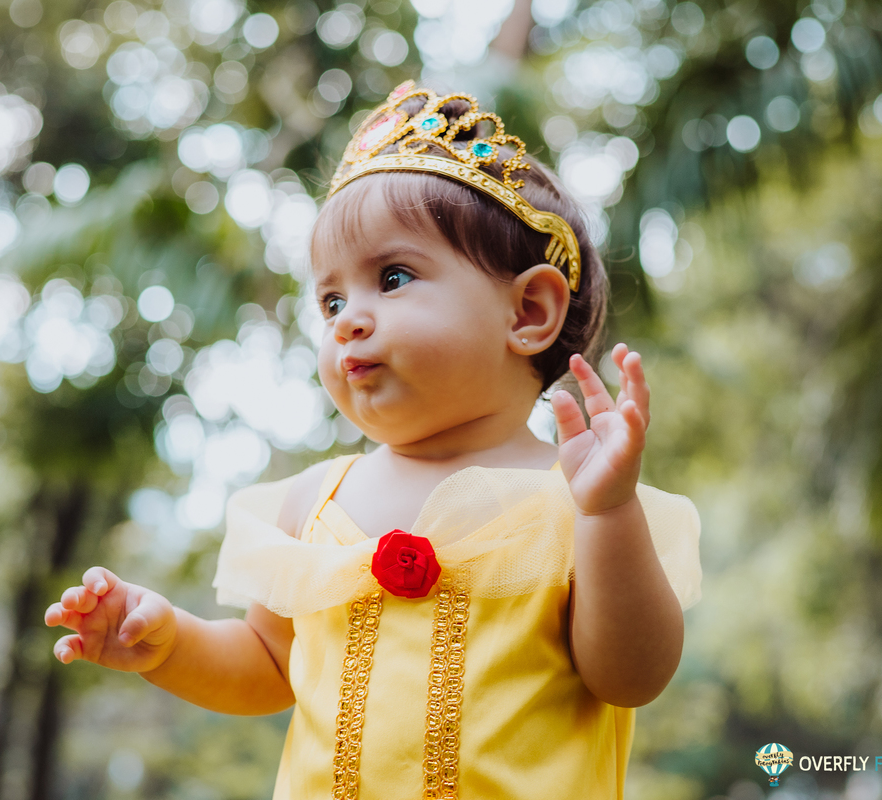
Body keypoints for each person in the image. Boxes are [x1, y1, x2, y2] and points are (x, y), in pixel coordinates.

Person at [45, 81, 701, 800]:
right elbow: (268, 663)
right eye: (330, 300)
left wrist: (609, 514)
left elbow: (631, 676)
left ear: (528, 311)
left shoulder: (580, 504)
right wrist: (167, 643)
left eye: (392, 278)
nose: (347, 319)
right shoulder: (312, 502)